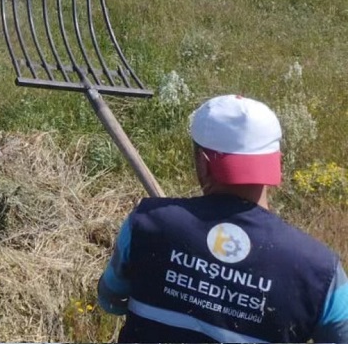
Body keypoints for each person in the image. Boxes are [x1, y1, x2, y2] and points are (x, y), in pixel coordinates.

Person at [97, 94, 348, 343]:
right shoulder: (321, 272)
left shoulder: (146, 223)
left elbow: (110, 299)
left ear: (203, 163)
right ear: (277, 164)